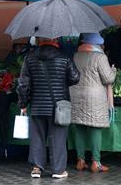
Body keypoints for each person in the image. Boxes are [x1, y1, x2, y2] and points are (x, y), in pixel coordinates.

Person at [17, 37, 80, 179]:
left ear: (40, 40)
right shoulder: (65, 58)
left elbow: (23, 84)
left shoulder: (30, 58)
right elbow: (75, 77)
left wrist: (23, 103)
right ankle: (58, 170)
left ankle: (36, 168)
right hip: (59, 106)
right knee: (58, 137)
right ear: (56, 39)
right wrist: (63, 80)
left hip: (38, 105)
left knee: (37, 137)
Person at [70, 33, 116, 172]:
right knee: (96, 127)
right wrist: (113, 70)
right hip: (94, 97)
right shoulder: (100, 57)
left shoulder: (76, 55)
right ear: (97, 44)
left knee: (79, 127)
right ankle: (96, 162)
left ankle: (80, 160)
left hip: (76, 94)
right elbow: (108, 79)